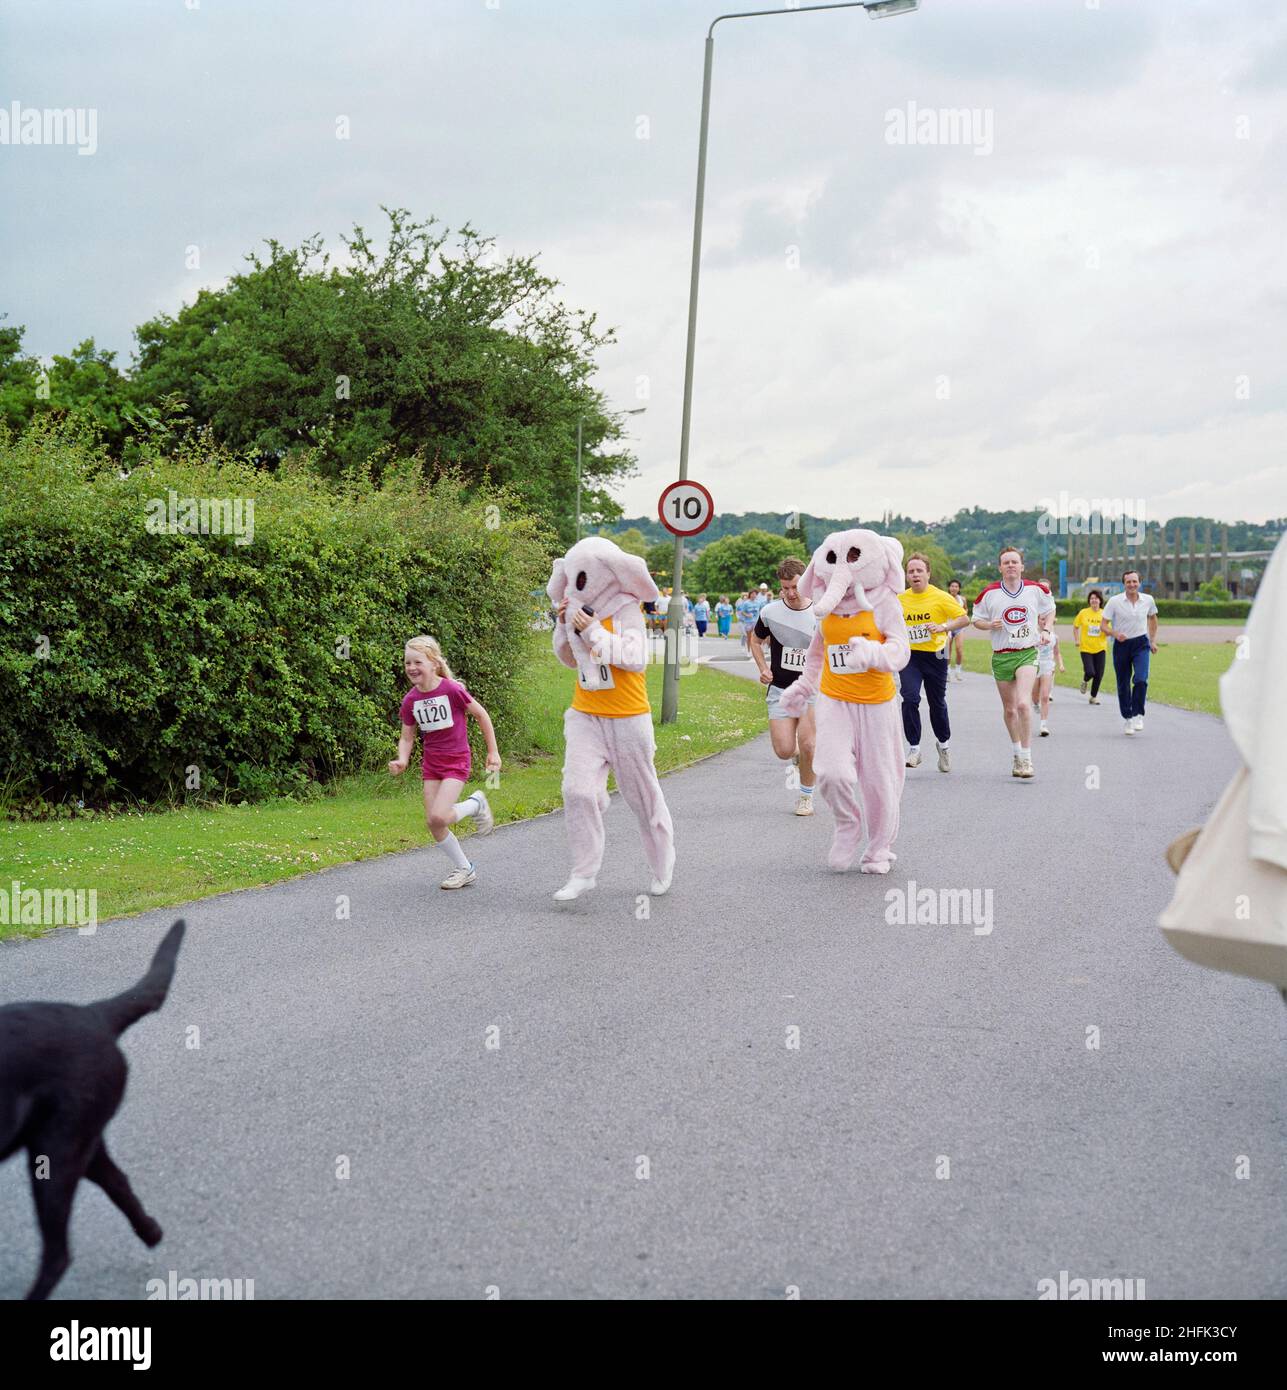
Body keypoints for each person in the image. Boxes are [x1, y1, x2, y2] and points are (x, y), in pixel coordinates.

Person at [548, 537, 675, 900]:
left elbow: (636, 658)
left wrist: (592, 630)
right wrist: (563, 627)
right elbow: (569, 660)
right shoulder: (575, 609)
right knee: (576, 790)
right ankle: (583, 872)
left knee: (641, 798)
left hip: (628, 717)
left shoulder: (626, 609)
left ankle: (662, 861)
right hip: (585, 714)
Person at [389, 635, 500, 889]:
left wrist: (493, 752)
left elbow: (482, 716)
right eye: (407, 663)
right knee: (433, 822)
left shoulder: (451, 690)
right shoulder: (411, 700)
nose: (411, 668)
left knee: (440, 815)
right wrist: (402, 759)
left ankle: (475, 804)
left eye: (417, 662)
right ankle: (464, 868)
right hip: (432, 764)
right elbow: (407, 736)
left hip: (456, 761)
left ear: (434, 664)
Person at [972, 546, 1055, 779]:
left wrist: (1047, 629)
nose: (1010, 566)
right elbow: (975, 620)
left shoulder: (1035, 590)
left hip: (1027, 652)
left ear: (1021, 566)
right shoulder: (989, 593)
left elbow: (1050, 609)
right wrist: (989, 625)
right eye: (1006, 562)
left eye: (1014, 562)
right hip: (1001, 656)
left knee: (1023, 704)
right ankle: (1017, 752)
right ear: (1000, 567)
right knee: (1009, 710)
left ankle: (1027, 759)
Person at [748, 556, 819, 816]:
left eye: (795, 587)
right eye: (785, 587)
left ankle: (806, 797)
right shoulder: (770, 612)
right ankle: (797, 755)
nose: (790, 593)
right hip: (780, 689)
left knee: (810, 744)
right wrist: (763, 668)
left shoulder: (820, 612)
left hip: (812, 689)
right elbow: (755, 641)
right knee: (784, 750)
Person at [898, 553, 969, 771]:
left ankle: (944, 746)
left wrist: (944, 627)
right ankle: (914, 748)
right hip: (910, 656)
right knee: (909, 698)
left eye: (919, 570)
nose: (915, 574)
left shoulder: (940, 597)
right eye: (911, 571)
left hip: (936, 655)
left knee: (936, 702)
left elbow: (964, 619)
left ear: (928, 573)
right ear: (907, 576)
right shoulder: (900, 599)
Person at [1103, 570, 1159, 735]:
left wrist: (1152, 640)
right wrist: (1115, 634)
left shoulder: (1148, 600)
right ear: (1124, 584)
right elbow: (1103, 625)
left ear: (1139, 583)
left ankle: (1138, 714)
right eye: (1129, 582)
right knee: (1123, 684)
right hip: (1122, 645)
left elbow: (1153, 618)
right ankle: (1127, 718)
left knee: (1141, 679)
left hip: (1141, 643)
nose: (1132, 585)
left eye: (1135, 581)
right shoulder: (1114, 601)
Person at [1072, 589, 1108, 704]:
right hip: (1086, 648)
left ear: (1100, 600)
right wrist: (1077, 640)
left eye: (1096, 598)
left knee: (1099, 674)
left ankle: (1093, 697)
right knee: (1090, 671)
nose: (1094, 600)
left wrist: (1108, 631)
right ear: (1089, 600)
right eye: (1092, 598)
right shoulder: (1083, 613)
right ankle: (1085, 680)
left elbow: (1108, 628)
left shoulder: (1104, 613)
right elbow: (1076, 627)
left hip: (1101, 647)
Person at [1032, 630, 1065, 736]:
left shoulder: (1054, 637)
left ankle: (1043, 725)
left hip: (1048, 665)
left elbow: (1057, 653)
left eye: (1046, 619)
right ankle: (1035, 704)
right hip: (1034, 664)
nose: (1044, 621)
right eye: (1042, 619)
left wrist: (1060, 665)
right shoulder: (1033, 634)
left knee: (1045, 696)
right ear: (1038, 620)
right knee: (1035, 697)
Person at [946, 578, 968, 681]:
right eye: (952, 586)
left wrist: (963, 616)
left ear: (959, 588)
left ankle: (958, 671)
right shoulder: (945, 598)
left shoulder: (962, 599)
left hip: (959, 627)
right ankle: (947, 671)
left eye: (956, 586)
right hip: (948, 626)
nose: (954, 588)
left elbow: (965, 609)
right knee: (947, 650)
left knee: (959, 649)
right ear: (949, 588)